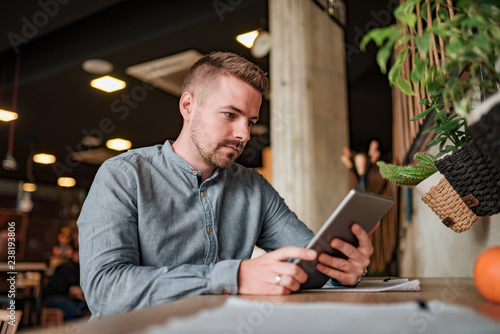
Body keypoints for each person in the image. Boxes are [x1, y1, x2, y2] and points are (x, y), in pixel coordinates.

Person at [77, 51, 373, 320]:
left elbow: (308, 258)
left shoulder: (254, 188)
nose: (244, 134)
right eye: (230, 115)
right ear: (188, 106)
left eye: (251, 121)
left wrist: (343, 270)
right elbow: (104, 291)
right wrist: (232, 277)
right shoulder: (123, 175)